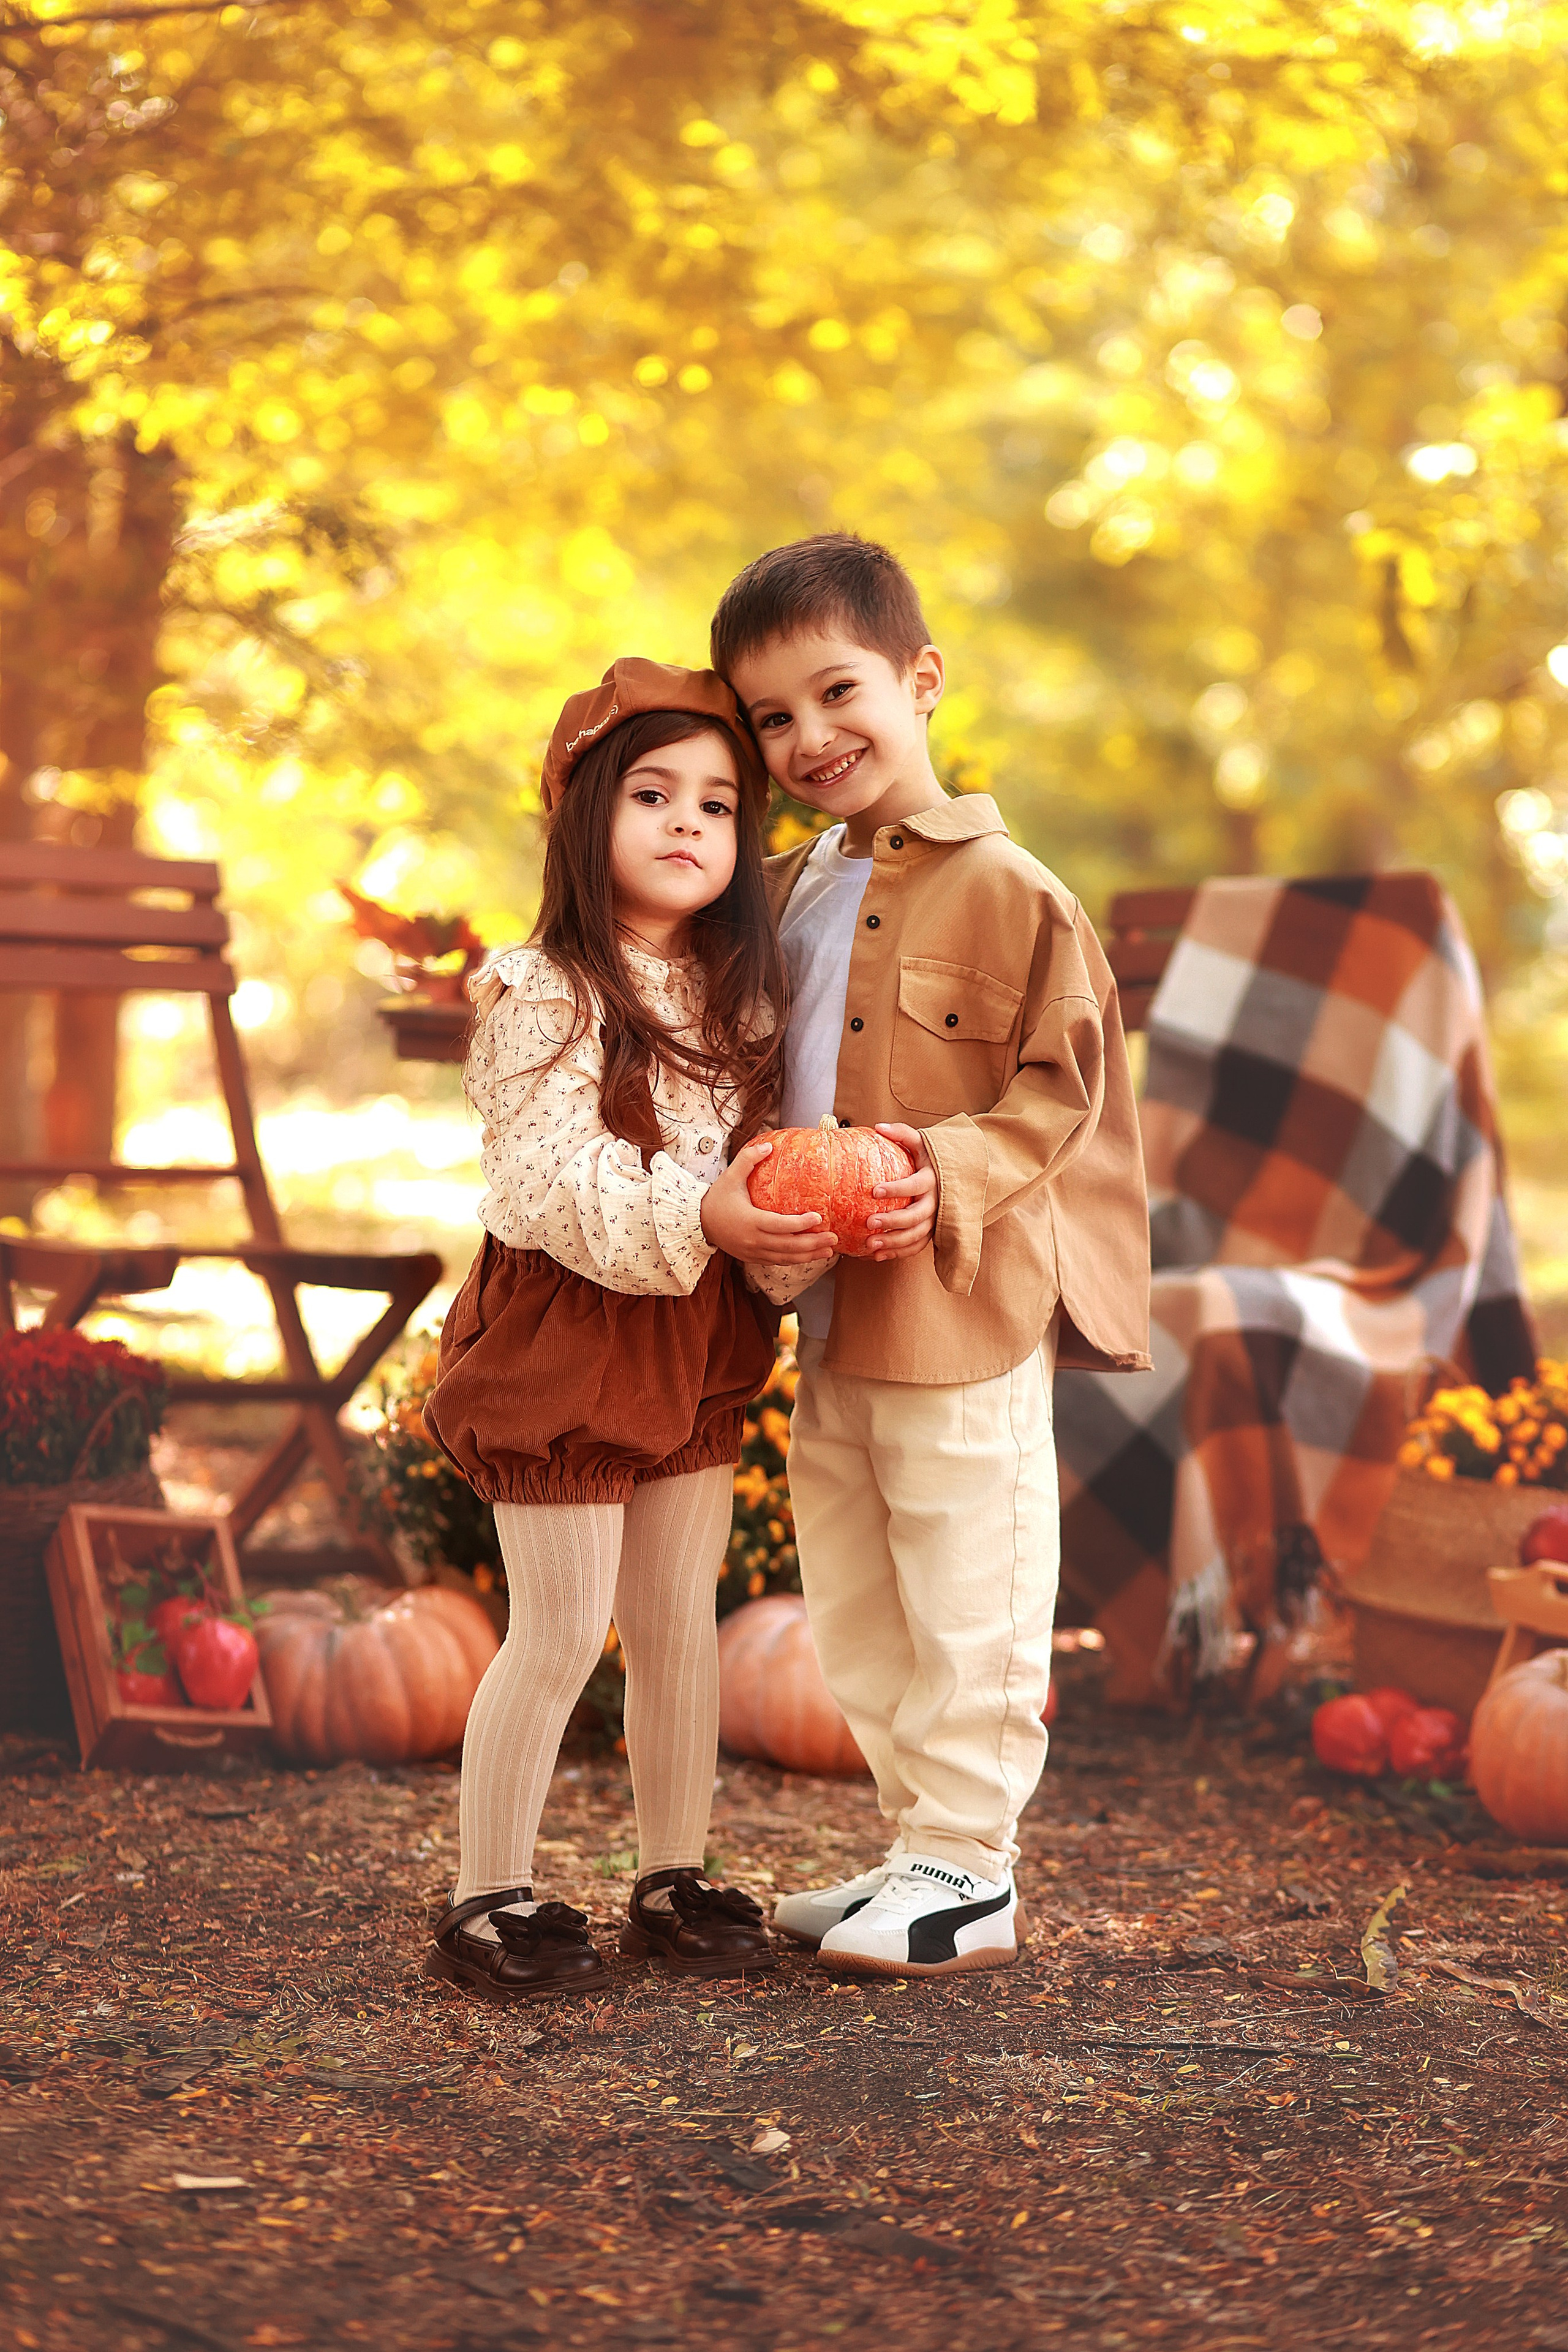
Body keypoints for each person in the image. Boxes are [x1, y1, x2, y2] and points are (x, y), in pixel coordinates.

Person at [710, 534, 1152, 1978]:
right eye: (771, 717)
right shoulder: (783, 890)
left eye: (836, 692)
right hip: (827, 1307)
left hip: (960, 1305)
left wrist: (940, 1168)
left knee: (969, 1583)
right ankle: (913, 1844)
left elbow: (1062, 1098)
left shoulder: (1013, 892)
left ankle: (969, 1866)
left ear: (920, 680)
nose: (808, 737)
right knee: (855, 1594)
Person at [423, 659, 834, 2002]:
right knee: (559, 1629)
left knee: (676, 1623)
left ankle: (671, 1874)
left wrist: (788, 1225)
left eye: (717, 806)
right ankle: (489, 1889)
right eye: (652, 794)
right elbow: (549, 1180)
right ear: (583, 813)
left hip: (692, 1336)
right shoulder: (543, 988)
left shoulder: (740, 996)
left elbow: (759, 1166)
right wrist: (710, 1211)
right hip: (571, 1335)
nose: (687, 823)